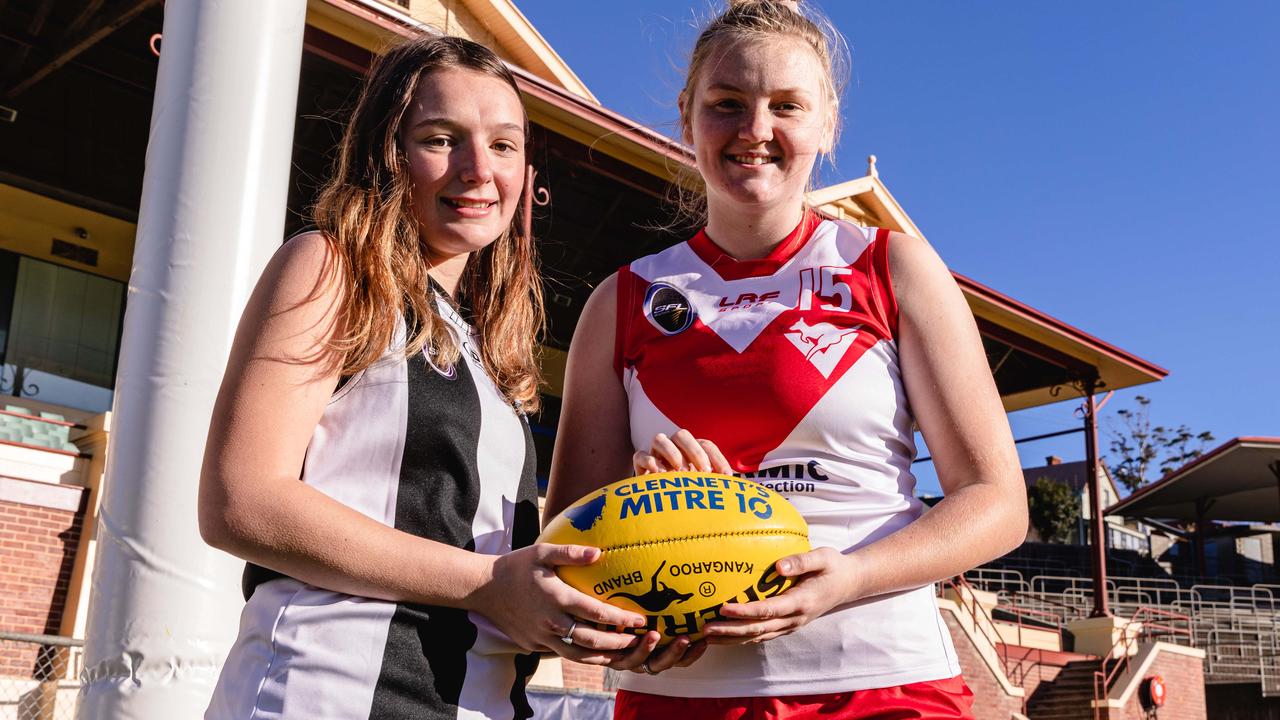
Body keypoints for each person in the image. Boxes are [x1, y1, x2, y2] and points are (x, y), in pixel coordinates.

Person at [546, 1, 1028, 717]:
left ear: (828, 122)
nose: (755, 130)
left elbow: (997, 503)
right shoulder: (622, 301)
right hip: (683, 693)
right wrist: (649, 516)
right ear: (686, 116)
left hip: (882, 682)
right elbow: (569, 549)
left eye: (787, 106)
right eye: (727, 103)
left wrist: (849, 578)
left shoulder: (893, 268)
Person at [199, 35, 652, 720]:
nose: (477, 169)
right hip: (330, 697)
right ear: (389, 152)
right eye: (442, 139)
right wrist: (490, 581)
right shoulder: (331, 268)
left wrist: (621, 574)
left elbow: (507, 581)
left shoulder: (485, 351)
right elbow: (241, 500)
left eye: (503, 146)